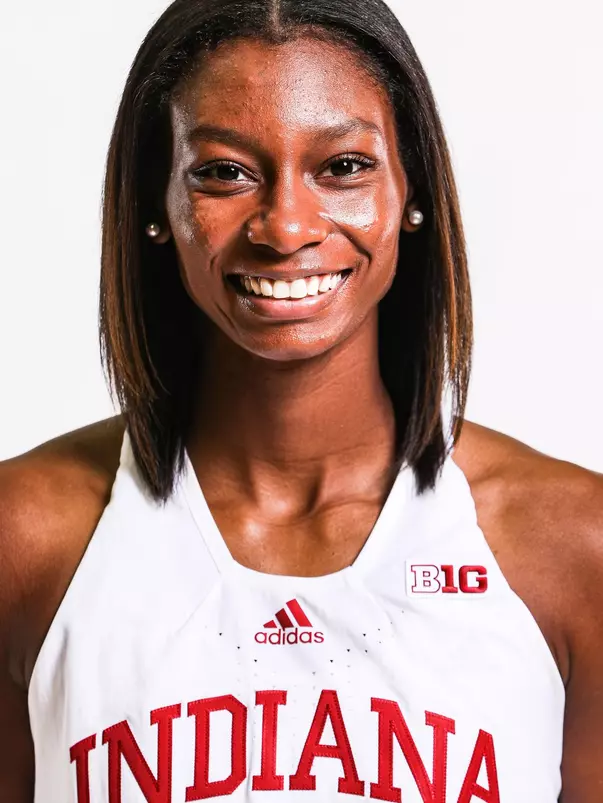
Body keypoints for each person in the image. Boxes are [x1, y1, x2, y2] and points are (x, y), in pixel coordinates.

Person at [1, 0, 602, 799]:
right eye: (224, 172)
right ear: (155, 204)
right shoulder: (25, 539)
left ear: (411, 192)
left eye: (343, 166)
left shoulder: (570, 548)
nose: (285, 227)